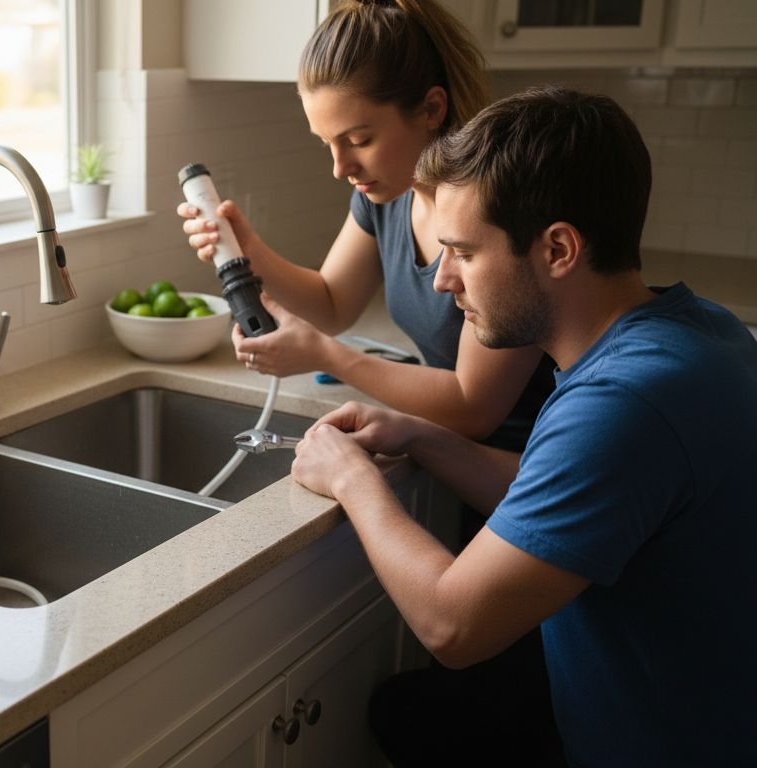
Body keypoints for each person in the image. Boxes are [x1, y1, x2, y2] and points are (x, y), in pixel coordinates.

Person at [292, 86, 757, 766]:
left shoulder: (626, 403)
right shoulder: (690, 330)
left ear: (559, 249)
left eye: (465, 252)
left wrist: (353, 480)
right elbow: (569, 498)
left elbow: (452, 626)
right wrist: (423, 437)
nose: (444, 280)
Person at [179, 1, 559, 763]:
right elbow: (330, 297)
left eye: (357, 139)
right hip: (454, 463)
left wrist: (334, 355)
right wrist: (245, 250)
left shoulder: (487, 204)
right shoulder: (383, 197)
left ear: (430, 110)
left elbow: (475, 407)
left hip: (526, 480)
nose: (341, 166)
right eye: (327, 143)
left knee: (515, 711)